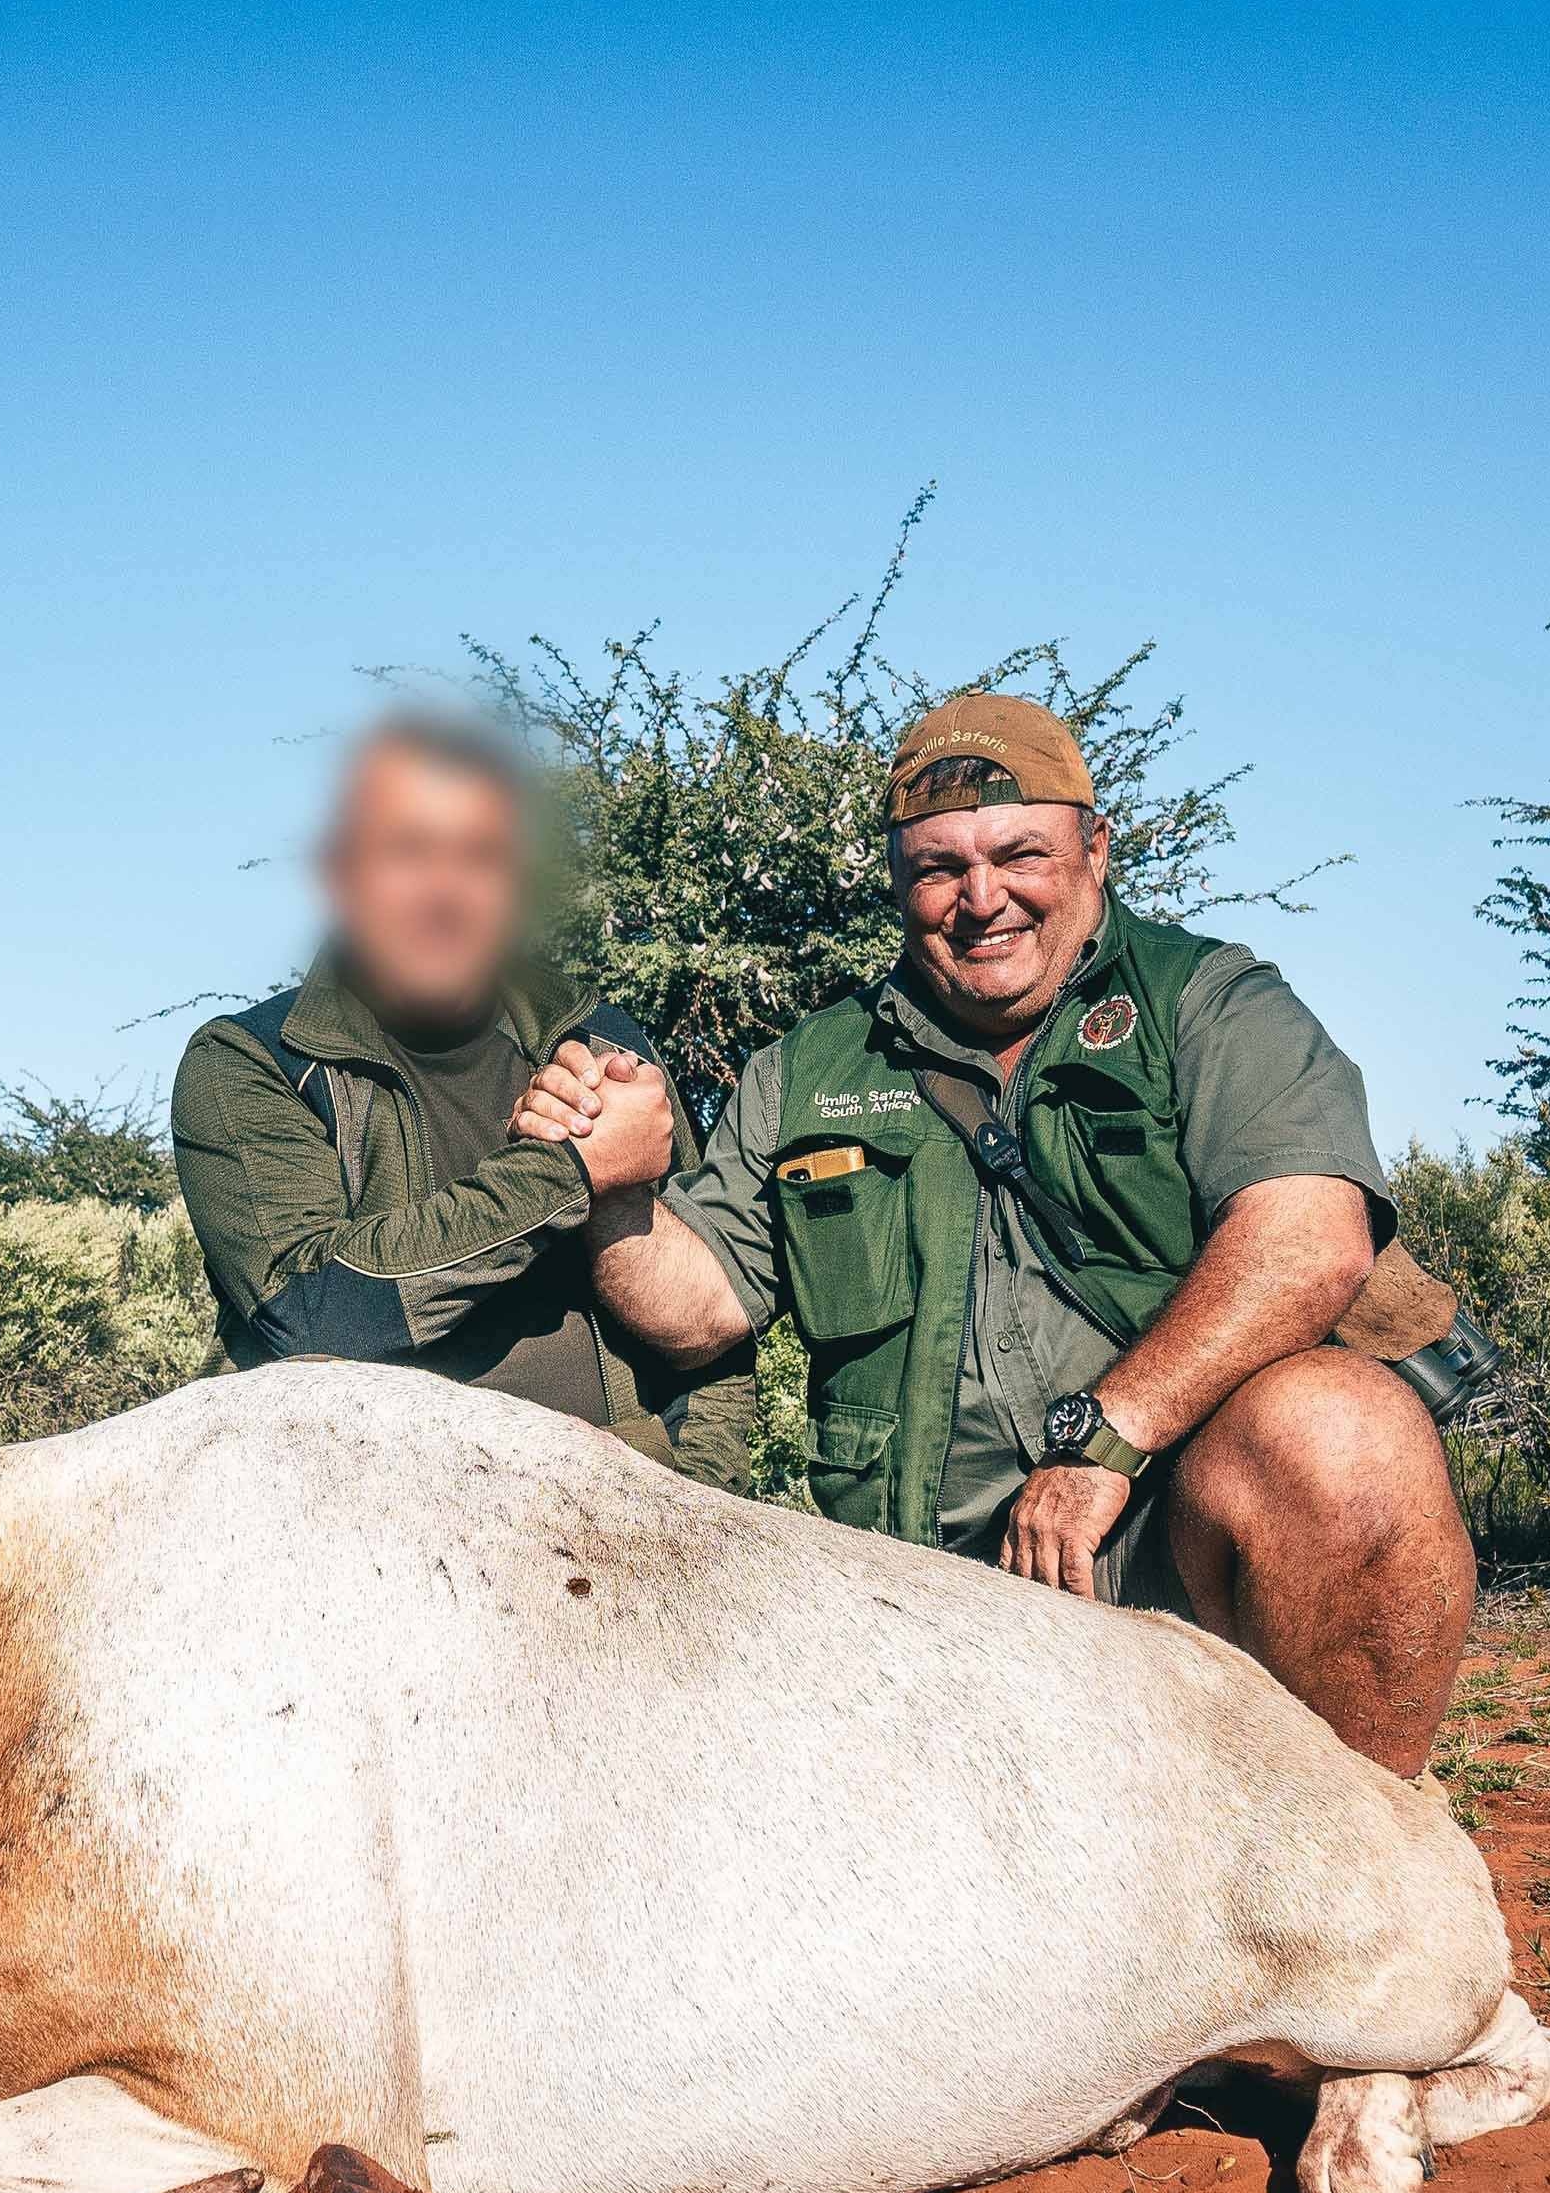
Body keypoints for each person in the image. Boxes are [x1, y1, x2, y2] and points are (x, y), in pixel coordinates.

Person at [516, 690, 1472, 1772]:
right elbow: (692, 1314)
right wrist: (609, 1186)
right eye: (937, 866)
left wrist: (1103, 1442)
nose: (980, 898)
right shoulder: (808, 1067)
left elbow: (1308, 1234)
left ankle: (1367, 1840)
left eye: (1018, 853)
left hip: (1165, 1560)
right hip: (918, 1603)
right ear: (894, 878)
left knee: (1344, 1428)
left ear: (1094, 848)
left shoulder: (1205, 1001)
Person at [172, 709, 756, 1485]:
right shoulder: (250, 1063)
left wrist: (699, 1497)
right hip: (359, 1516)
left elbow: (710, 1326)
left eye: (480, 857)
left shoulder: (606, 1042)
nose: (444, 892)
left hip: (621, 1518)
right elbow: (310, 1311)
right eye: (408, 851)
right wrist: (568, 1174)